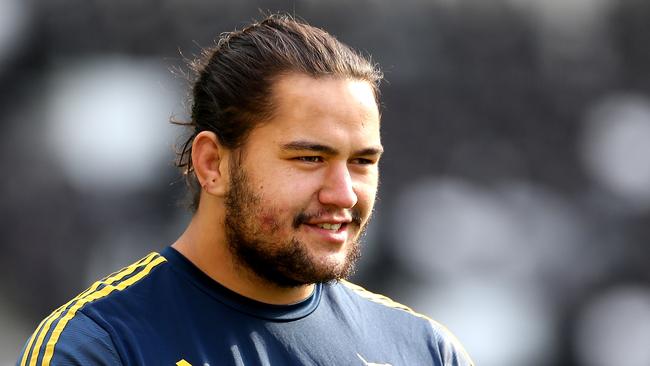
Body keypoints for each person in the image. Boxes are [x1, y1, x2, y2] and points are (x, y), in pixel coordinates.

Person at [18, 14, 473, 366]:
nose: (343, 194)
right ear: (213, 163)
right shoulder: (102, 344)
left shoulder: (423, 349)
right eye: (309, 158)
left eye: (361, 162)